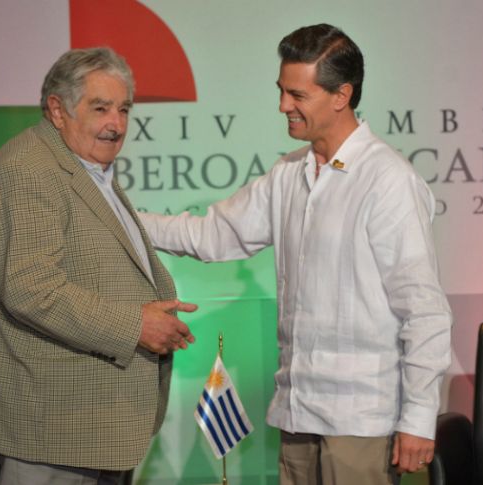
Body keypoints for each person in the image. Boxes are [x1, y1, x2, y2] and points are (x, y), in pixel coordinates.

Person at [139, 24, 453, 485]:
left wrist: (419, 418)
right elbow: (210, 235)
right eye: (282, 91)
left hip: (362, 423)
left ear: (341, 95)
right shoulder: (288, 174)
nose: (283, 105)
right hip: (297, 416)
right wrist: (121, 220)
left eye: (297, 95)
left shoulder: (388, 182)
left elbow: (424, 311)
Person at [0, 47, 197, 485]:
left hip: (91, 425)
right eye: (101, 108)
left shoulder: (81, 165)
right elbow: (33, 290)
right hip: (52, 426)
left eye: (124, 109)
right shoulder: (28, 170)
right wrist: (136, 326)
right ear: (57, 110)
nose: (117, 124)